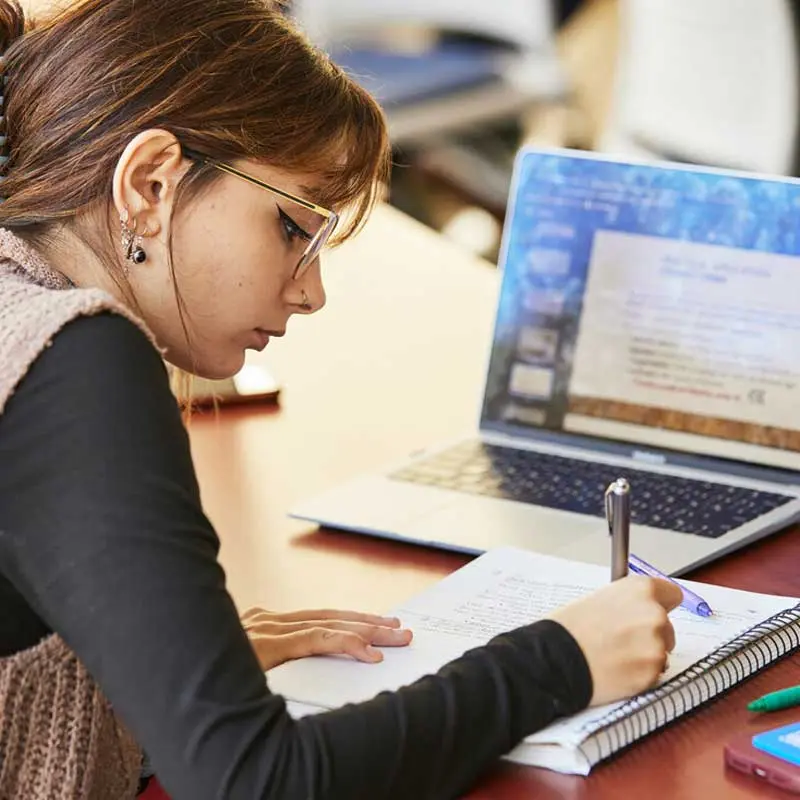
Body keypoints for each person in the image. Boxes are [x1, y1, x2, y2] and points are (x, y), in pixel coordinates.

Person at [0, 1, 683, 798]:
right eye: (294, 228)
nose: (312, 292)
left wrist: (152, 673)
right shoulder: (70, 358)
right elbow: (257, 782)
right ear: (150, 182)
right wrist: (557, 660)